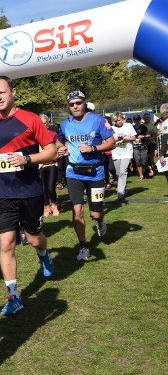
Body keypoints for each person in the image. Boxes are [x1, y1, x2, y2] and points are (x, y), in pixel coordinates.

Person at [0, 76, 57, 316]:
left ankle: (43, 254)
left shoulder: (30, 119)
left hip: (30, 192)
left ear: (13, 92)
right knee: (6, 243)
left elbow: (52, 151)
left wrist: (28, 159)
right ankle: (14, 296)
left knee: (34, 239)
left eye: (2, 92)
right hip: (3, 194)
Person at [57, 90, 115, 261]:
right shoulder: (64, 124)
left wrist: (93, 148)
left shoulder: (98, 121)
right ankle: (83, 246)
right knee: (77, 210)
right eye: (71, 104)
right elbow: (58, 140)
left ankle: (99, 221)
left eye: (78, 103)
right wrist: (59, 147)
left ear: (84, 103)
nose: (75, 106)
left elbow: (111, 142)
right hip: (73, 173)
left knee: (95, 213)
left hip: (95, 173)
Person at [110, 112, 136, 202]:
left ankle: (120, 193)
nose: (118, 122)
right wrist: (116, 139)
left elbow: (134, 138)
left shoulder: (128, 126)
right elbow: (109, 140)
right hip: (116, 153)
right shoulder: (111, 129)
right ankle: (123, 188)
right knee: (118, 173)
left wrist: (125, 138)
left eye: (119, 120)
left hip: (127, 152)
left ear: (122, 119)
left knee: (123, 171)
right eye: (116, 121)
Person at [39, 114, 60, 217]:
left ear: (47, 123)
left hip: (51, 163)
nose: (43, 125)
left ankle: (54, 205)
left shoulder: (52, 134)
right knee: (43, 188)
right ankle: (46, 207)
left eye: (44, 123)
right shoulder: (35, 135)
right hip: (40, 165)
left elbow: (58, 146)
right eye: (40, 123)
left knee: (51, 187)